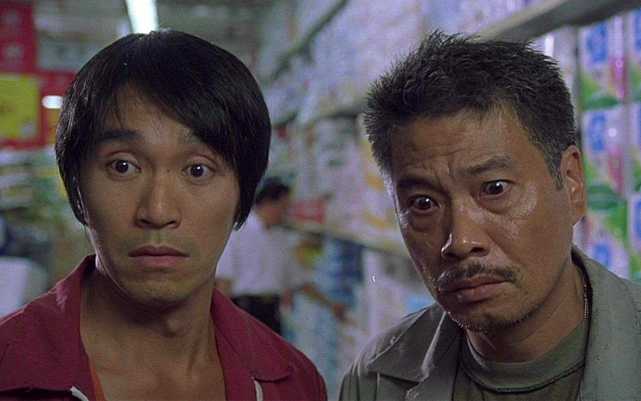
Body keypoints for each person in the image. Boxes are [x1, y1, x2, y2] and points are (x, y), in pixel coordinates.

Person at [0, 30, 327, 401]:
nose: (158, 212)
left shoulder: (295, 384)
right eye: (122, 166)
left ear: (243, 195)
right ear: (76, 187)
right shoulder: (10, 369)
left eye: (198, 170)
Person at [339, 31, 641, 401]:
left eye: (494, 189)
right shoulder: (375, 382)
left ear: (572, 184)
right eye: (423, 203)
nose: (461, 241)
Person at [216, 177, 346, 335]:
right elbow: (224, 282)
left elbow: (298, 280)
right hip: (243, 311)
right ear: (267, 203)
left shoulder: (281, 239)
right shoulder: (237, 233)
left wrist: (330, 304)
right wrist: (222, 325)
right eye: (283, 207)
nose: (286, 213)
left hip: (271, 312)